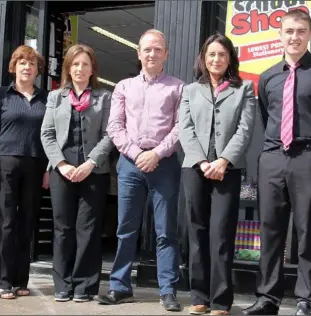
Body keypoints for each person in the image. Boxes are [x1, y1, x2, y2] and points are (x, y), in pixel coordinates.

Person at [242, 10, 311, 315]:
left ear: (309, 34)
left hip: (307, 157)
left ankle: (307, 297)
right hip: (274, 157)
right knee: (270, 230)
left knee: (308, 230)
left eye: (301, 31)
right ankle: (268, 297)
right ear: (280, 35)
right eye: (289, 31)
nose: (294, 36)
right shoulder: (267, 77)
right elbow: (268, 118)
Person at [94, 29, 184, 312]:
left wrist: (156, 154)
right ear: (139, 53)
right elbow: (115, 127)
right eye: (147, 49)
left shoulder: (178, 88)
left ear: (166, 53)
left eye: (158, 49)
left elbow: (181, 127)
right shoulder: (123, 87)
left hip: (164, 164)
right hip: (130, 165)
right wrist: (137, 154)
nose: (152, 54)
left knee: (165, 230)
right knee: (125, 229)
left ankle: (168, 290)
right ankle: (120, 287)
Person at [179, 34, 256, 315]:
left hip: (229, 170)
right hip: (195, 169)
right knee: (197, 232)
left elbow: (245, 130)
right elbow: (185, 129)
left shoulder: (244, 88)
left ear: (230, 59)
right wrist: (202, 162)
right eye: (211, 54)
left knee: (222, 233)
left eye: (222, 54)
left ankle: (221, 300)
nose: (216, 59)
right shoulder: (189, 90)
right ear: (203, 58)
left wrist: (223, 160)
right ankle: (199, 296)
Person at [41, 44, 114, 303]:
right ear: (68, 69)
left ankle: (85, 285)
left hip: (93, 171)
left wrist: (91, 162)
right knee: (63, 228)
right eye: (75, 64)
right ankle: (62, 283)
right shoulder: (55, 98)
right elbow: (47, 134)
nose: (80, 69)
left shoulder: (105, 98)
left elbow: (110, 135)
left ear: (92, 68)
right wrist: (61, 164)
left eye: (85, 64)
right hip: (63, 171)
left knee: (88, 229)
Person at [0, 45, 49, 299]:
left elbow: (50, 134)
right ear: (14, 67)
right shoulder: (2, 95)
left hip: (35, 164)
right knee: (6, 223)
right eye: (22, 62)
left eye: (32, 64)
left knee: (27, 223)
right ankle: (3, 281)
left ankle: (21, 280)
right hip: (6, 164)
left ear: (37, 70)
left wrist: (47, 169)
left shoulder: (46, 98)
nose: (27, 67)